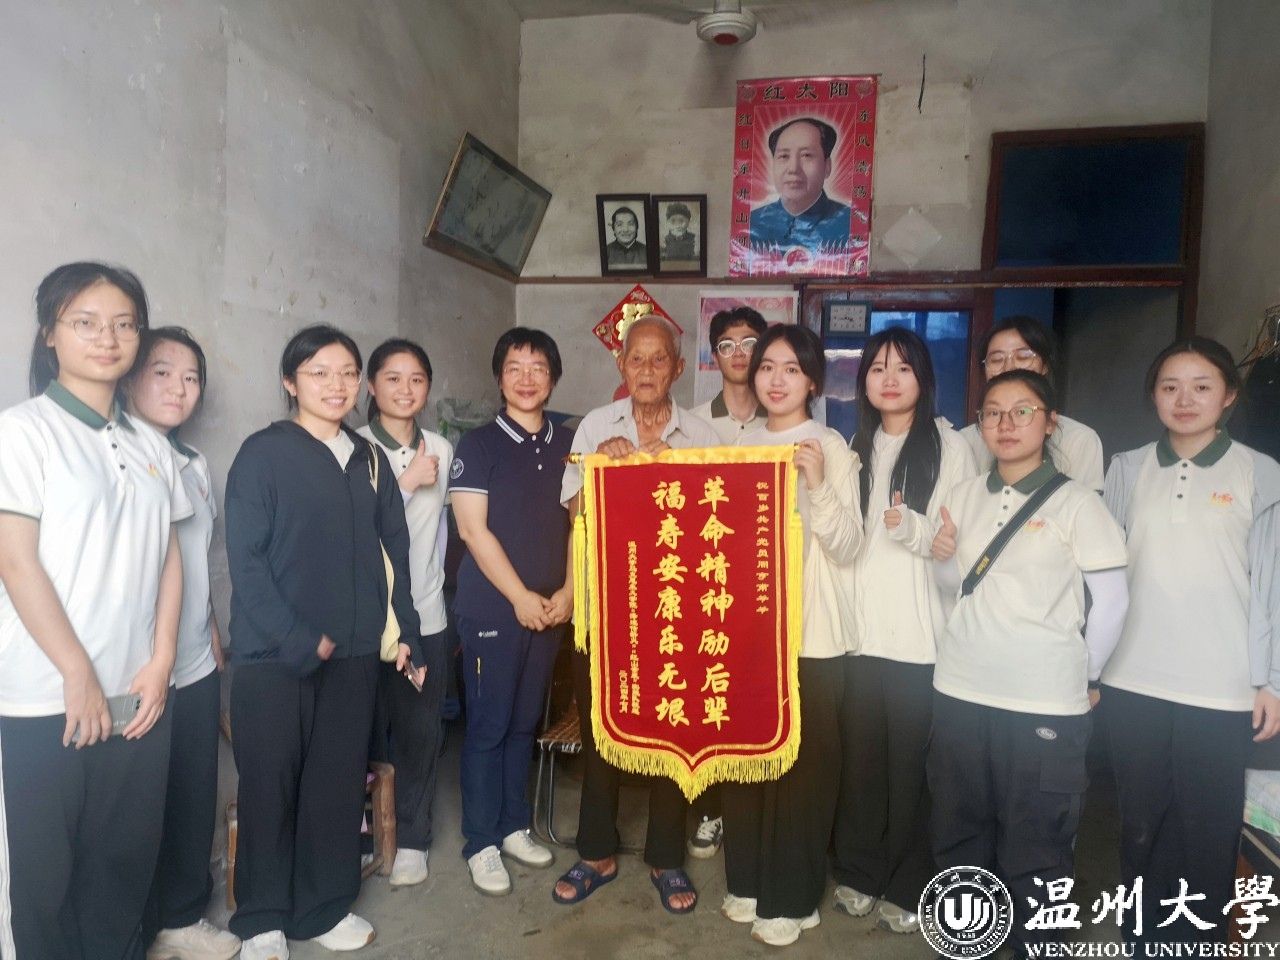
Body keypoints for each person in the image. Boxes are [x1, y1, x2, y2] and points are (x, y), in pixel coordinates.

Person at [0, 262, 191, 959]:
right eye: (85, 322)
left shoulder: (150, 444)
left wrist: (162, 659)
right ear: (51, 333)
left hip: (137, 696)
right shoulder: (22, 432)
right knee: (46, 884)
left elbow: (168, 558)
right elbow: (15, 560)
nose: (107, 338)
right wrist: (76, 672)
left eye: (123, 324)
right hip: (46, 697)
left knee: (121, 871)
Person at [224, 325, 422, 959]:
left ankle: (323, 907)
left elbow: (394, 549)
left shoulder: (368, 458)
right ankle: (261, 919)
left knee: (336, 786)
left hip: (355, 654)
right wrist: (296, 639)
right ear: (290, 382)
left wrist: (405, 631)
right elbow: (246, 561)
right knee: (270, 787)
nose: (336, 386)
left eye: (347, 373)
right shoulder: (263, 454)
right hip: (274, 659)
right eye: (319, 373)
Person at [928, 369, 1129, 958]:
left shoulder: (1078, 503)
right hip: (960, 691)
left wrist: (1087, 675)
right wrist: (942, 556)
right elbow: (954, 590)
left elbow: (1112, 601)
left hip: (1042, 701)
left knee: (1037, 845)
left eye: (1022, 411)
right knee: (959, 834)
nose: (1006, 424)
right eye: (993, 412)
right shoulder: (964, 494)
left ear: (1050, 422)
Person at [1101, 337, 1280, 943]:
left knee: (1209, 828)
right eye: (1170, 386)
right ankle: (1141, 942)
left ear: (1229, 396)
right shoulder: (1126, 468)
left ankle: (1195, 945)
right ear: (1153, 395)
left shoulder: (1260, 471)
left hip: (1224, 685)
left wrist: (1272, 681)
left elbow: (1273, 584)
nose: (1185, 399)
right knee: (1139, 824)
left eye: (1202, 387)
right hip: (1132, 678)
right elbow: (1104, 575)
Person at [554, 315, 719, 913]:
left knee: (673, 728)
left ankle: (666, 857)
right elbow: (573, 509)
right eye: (637, 359)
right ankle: (596, 851)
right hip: (607, 606)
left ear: (678, 368)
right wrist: (602, 467)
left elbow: (719, 519)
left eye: (659, 359)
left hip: (675, 608)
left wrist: (677, 474)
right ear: (621, 365)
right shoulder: (596, 426)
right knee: (602, 726)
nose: (647, 370)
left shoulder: (701, 434)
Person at [721, 323, 862, 947]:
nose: (776, 380)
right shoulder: (740, 442)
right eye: (766, 367)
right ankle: (749, 881)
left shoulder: (830, 446)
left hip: (811, 636)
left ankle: (794, 897)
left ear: (812, 381)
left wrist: (818, 484)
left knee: (803, 770)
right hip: (748, 638)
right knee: (747, 758)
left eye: (791, 369)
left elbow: (850, 545)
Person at [833, 328, 977, 933]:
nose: (889, 379)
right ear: (863, 381)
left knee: (912, 770)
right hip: (860, 636)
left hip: (919, 638)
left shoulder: (950, 447)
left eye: (902, 368)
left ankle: (910, 880)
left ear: (924, 378)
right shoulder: (854, 447)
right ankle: (859, 871)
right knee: (861, 762)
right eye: (877, 369)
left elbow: (956, 542)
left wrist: (912, 527)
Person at [125, 327, 240, 960]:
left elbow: (199, 560)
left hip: (195, 659)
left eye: (190, 377)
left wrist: (213, 632)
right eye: (162, 372)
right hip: (133, 668)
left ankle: (181, 919)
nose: (178, 387)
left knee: (192, 793)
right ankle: (134, 931)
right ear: (130, 375)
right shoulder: (115, 451)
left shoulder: (194, 464)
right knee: (133, 807)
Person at [448, 327, 573, 896]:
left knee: (525, 723)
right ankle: (481, 842)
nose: (527, 378)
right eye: (515, 367)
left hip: (549, 610)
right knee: (489, 726)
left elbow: (580, 524)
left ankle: (513, 825)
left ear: (553, 378)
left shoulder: (568, 443)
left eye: (538, 367)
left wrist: (569, 591)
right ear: (499, 378)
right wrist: (520, 597)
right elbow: (472, 531)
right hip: (495, 609)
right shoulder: (477, 446)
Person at [357, 338, 453, 888]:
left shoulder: (440, 446)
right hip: (368, 620)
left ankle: (414, 838)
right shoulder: (353, 447)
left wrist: (434, 586)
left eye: (416, 379)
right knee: (364, 733)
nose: (405, 389)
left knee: (420, 732)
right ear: (371, 386)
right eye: (392, 378)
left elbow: (440, 531)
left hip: (426, 614)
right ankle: (365, 836)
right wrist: (408, 482)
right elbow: (350, 531)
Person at [959, 316, 1104, 491]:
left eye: (1023, 356)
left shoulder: (1080, 440)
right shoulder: (964, 442)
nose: (1009, 368)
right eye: (996, 360)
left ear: (1045, 365)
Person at [748, 117, 852, 250]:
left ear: (827, 166)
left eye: (806, 155)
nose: (793, 168)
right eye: (784, 156)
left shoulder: (850, 224)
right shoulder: (752, 224)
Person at [691, 306, 768, 446]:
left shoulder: (780, 422)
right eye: (727, 345)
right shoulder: (692, 423)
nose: (738, 353)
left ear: (763, 352)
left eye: (748, 344)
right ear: (715, 357)